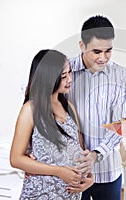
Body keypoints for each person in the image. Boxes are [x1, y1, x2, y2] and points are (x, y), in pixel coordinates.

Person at [10, 49, 94, 200]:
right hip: (40, 194)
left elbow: (79, 150)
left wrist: (89, 177)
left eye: (70, 73)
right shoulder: (31, 109)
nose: (69, 79)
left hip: (70, 195)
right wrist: (59, 171)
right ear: (48, 78)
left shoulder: (69, 106)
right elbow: (15, 159)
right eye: (63, 76)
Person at [68, 15, 126, 200]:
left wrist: (97, 153)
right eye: (96, 51)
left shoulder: (120, 75)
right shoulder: (64, 71)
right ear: (82, 45)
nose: (103, 58)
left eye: (108, 51)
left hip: (108, 171)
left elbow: (123, 123)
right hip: (72, 170)